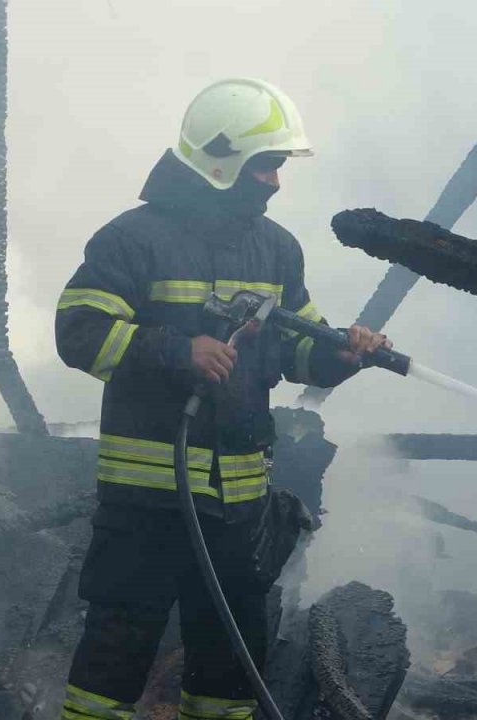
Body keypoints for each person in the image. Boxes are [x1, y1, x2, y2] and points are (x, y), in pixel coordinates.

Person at [54, 77, 389, 720]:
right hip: (146, 498)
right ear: (222, 160)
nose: (275, 182)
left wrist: (339, 356)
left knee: (230, 666)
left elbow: (294, 352)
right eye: (267, 165)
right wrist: (179, 352)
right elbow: (79, 332)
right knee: (115, 653)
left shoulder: (277, 248)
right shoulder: (132, 239)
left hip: (239, 504)